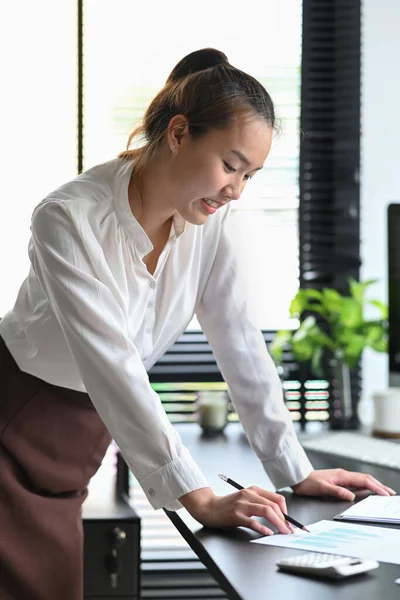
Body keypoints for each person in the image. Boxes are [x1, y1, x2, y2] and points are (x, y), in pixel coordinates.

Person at [0, 47, 395, 600]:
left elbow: (239, 343)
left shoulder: (208, 223)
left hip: (81, 440)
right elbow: (113, 366)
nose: (236, 189)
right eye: (231, 165)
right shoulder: (67, 218)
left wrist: (294, 470)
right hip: (16, 422)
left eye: (250, 174)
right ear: (179, 133)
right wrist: (199, 497)